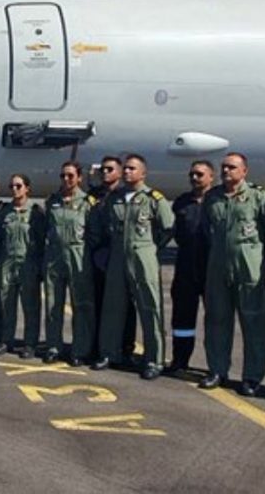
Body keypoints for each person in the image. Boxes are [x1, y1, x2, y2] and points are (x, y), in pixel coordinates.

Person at [199, 152, 265, 396]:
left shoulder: (258, 197)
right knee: (216, 320)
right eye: (224, 167)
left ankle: (252, 377)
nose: (227, 172)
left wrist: (256, 256)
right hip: (218, 268)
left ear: (244, 171)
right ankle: (217, 370)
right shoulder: (212, 197)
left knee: (254, 323)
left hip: (249, 269)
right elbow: (206, 230)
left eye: (232, 168)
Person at [90, 154, 174, 379]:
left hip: (143, 254)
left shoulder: (154, 198)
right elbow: (105, 225)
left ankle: (154, 359)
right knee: (112, 307)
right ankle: (109, 353)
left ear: (143, 173)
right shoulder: (114, 198)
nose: (127, 172)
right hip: (118, 255)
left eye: (132, 169)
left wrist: (151, 248)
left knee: (150, 308)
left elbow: (167, 227)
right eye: (125, 169)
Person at [43, 161, 98, 367]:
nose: (66, 180)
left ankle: (79, 349)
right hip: (55, 257)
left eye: (70, 176)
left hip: (78, 256)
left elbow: (94, 233)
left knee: (81, 305)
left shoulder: (88, 203)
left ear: (79, 178)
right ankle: (53, 346)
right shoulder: (53, 201)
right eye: (63, 176)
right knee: (52, 304)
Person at [166, 160, 215, 373]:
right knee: (182, 319)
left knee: (215, 319)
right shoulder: (182, 202)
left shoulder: (218, 201)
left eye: (200, 174)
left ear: (211, 177)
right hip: (186, 267)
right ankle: (180, 360)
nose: (195, 178)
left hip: (212, 268)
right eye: (192, 174)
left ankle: (216, 365)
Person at [88, 156, 137, 361]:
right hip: (99, 255)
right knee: (98, 302)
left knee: (126, 304)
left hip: (120, 254)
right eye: (103, 170)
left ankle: (126, 347)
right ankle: (100, 346)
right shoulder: (94, 196)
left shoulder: (127, 195)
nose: (105, 173)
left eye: (110, 169)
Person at [0, 174, 45, 358]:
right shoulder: (4, 211)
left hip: (27, 263)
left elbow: (41, 241)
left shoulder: (36, 212)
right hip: (8, 262)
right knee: (7, 303)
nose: (14, 189)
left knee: (30, 306)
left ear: (27, 188)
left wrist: (39, 267)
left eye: (18, 186)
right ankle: (6, 340)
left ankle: (30, 344)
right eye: (12, 186)